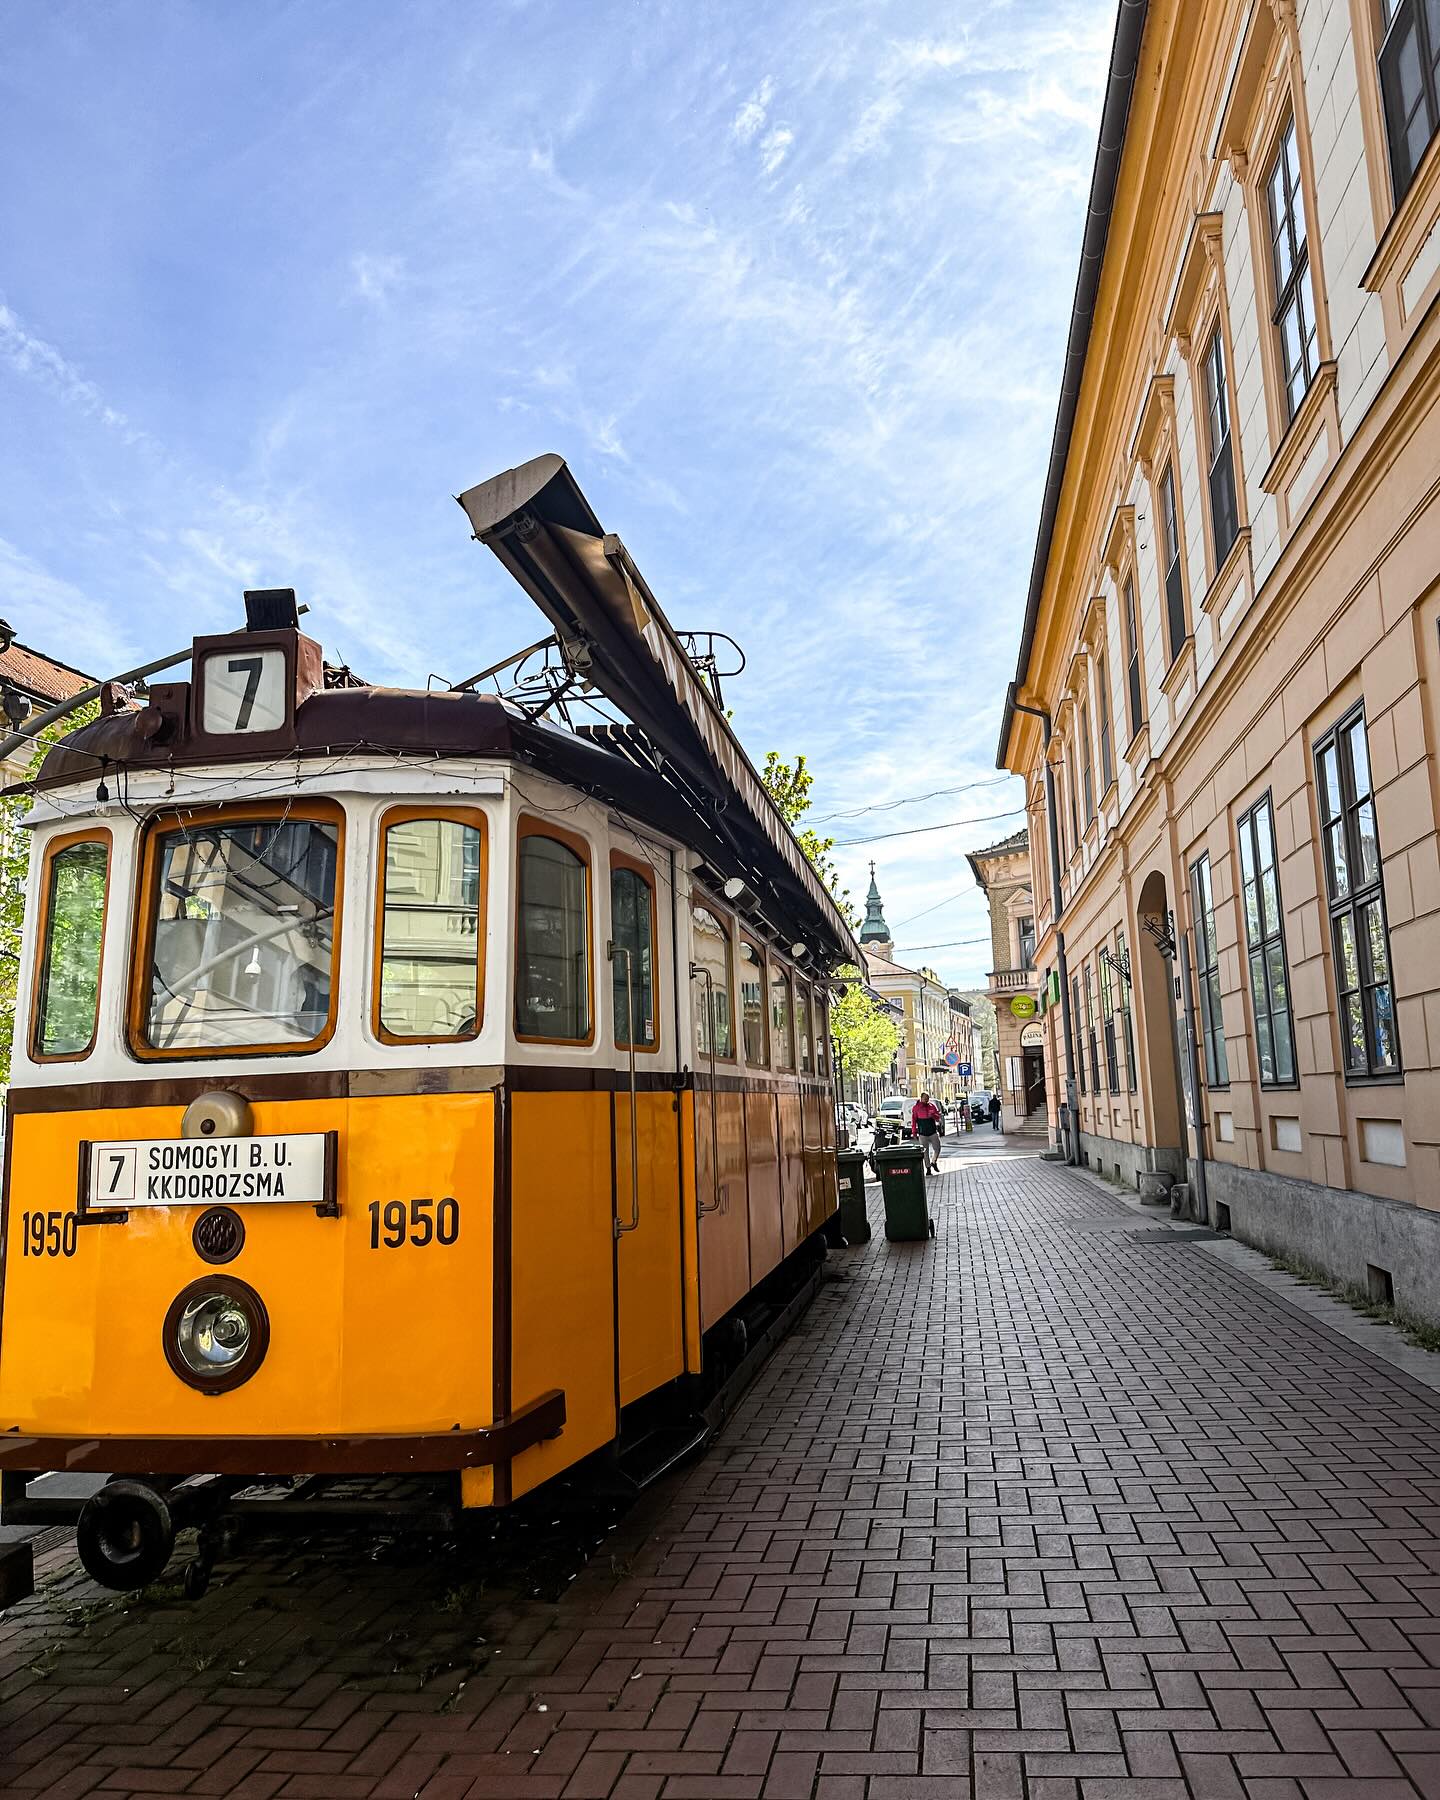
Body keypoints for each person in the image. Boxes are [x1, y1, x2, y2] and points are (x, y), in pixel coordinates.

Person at [911, 1092, 943, 1173]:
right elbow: (914, 1121)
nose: (926, 1100)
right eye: (925, 1099)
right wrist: (914, 1132)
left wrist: (933, 1115)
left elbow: (938, 1118)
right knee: (925, 1152)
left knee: (937, 1148)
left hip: (933, 1131)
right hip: (923, 1133)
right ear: (921, 1098)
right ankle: (928, 1168)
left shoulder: (932, 1106)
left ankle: (934, 1162)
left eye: (928, 1099)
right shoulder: (916, 1108)